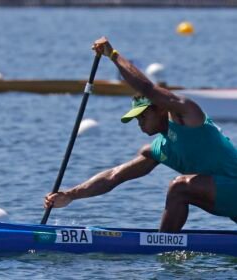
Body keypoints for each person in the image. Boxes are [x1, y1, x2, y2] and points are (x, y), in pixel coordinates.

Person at [44, 37, 237, 233]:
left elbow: (148, 89)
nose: (140, 123)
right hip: (229, 200)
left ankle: (162, 246)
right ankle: (163, 243)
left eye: (143, 116)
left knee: (179, 187)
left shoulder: (187, 114)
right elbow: (113, 176)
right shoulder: (160, 149)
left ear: (161, 108)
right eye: (136, 119)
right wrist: (70, 195)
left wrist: (113, 55)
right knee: (180, 188)